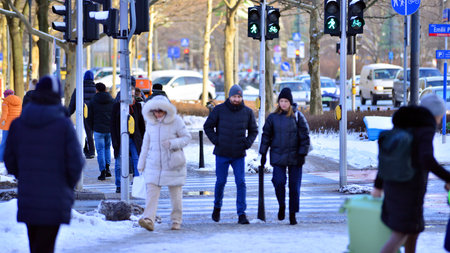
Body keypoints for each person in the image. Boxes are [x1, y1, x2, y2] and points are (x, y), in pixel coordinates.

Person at [4, 75, 84, 253]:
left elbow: (9, 159)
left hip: (29, 196)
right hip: (55, 198)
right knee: (47, 245)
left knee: (35, 245)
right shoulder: (63, 125)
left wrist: (24, 175)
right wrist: (67, 185)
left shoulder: (19, 124)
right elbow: (76, 162)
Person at [371, 93, 450, 253]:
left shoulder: (404, 123)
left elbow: (388, 158)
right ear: (436, 114)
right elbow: (426, 158)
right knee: (402, 232)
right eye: (441, 115)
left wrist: (378, 186)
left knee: (412, 229)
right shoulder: (425, 126)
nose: (441, 119)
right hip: (410, 186)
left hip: (393, 184)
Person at [203, 84, 258, 224]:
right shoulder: (219, 110)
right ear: (229, 96)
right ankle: (217, 207)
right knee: (221, 182)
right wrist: (216, 140)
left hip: (239, 154)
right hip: (222, 153)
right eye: (234, 96)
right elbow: (208, 126)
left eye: (239, 97)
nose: (236, 99)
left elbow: (253, 130)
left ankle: (241, 213)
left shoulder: (247, 112)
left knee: (241, 182)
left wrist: (247, 143)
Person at [137, 95, 191, 231]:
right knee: (151, 193)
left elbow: (187, 137)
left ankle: (176, 221)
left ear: (166, 110)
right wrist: (141, 163)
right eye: (155, 111)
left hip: (173, 163)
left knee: (176, 196)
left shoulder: (176, 121)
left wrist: (173, 143)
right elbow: (145, 144)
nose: (157, 113)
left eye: (160, 110)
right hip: (154, 164)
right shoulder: (151, 123)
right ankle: (149, 219)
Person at [259, 87, 310, 225]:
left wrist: (302, 153)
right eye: (281, 101)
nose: (283, 104)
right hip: (278, 156)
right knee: (278, 182)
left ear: (290, 102)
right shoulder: (272, 118)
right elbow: (266, 136)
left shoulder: (298, 117)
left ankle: (293, 214)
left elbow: (305, 136)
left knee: (294, 187)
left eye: (286, 101)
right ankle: (281, 204)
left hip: (295, 157)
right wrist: (263, 152)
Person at [111, 86, 146, 193]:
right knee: (119, 162)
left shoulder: (137, 107)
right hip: (120, 139)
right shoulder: (117, 106)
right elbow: (112, 125)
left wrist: (143, 139)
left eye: (133, 95)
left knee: (137, 161)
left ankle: (137, 184)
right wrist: (115, 141)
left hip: (134, 139)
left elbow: (141, 125)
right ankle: (119, 185)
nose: (131, 98)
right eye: (129, 96)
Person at [68, 70, 97, 159]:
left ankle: (91, 150)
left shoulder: (79, 88)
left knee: (88, 132)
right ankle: (88, 149)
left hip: (84, 113)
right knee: (90, 133)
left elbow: (73, 103)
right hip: (95, 113)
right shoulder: (95, 89)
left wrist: (68, 113)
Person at [87, 82, 114, 180]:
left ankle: (102, 171)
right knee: (107, 149)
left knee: (100, 150)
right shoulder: (111, 100)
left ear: (97, 90)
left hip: (98, 129)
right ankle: (107, 168)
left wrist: (92, 127)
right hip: (109, 129)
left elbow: (89, 116)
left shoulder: (93, 100)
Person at [0, 89, 22, 163]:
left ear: (6, 95)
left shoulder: (5, 102)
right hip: (16, 124)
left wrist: (2, 121)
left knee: (4, 142)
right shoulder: (19, 101)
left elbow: (4, 114)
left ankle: (1, 158)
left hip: (7, 125)